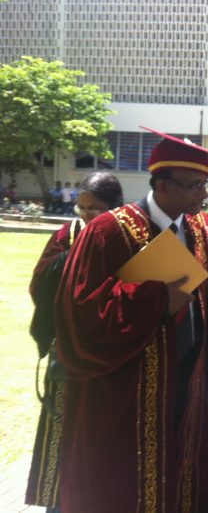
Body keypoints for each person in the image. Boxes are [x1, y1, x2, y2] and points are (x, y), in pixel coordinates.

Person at [54, 128, 208, 513]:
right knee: (123, 486)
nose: (203, 194)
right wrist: (156, 299)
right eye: (194, 185)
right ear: (162, 185)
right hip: (127, 387)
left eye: (205, 183)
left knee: (183, 477)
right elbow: (80, 313)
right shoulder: (108, 231)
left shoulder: (207, 230)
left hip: (191, 383)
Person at [25, 171, 123, 511]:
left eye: (94, 209)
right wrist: (74, 256)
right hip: (67, 355)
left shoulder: (125, 238)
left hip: (112, 358)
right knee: (62, 432)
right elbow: (40, 283)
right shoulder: (67, 235)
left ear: (114, 207)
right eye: (81, 207)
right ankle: (57, 503)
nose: (85, 215)